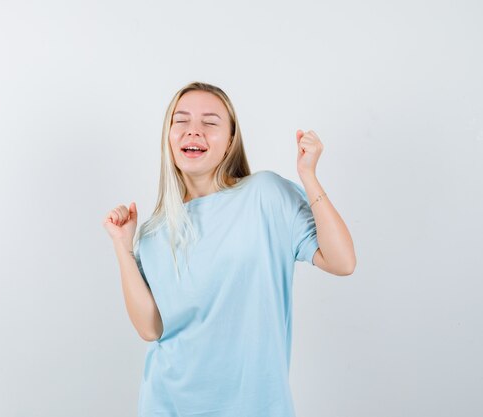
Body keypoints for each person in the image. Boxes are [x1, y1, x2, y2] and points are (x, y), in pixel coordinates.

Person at [102, 81, 356, 417]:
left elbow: (342, 261)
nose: (194, 131)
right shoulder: (153, 232)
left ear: (231, 140)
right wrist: (124, 247)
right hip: (168, 405)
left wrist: (308, 176)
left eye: (209, 122)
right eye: (181, 121)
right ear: (168, 137)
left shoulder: (265, 195)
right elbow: (151, 329)